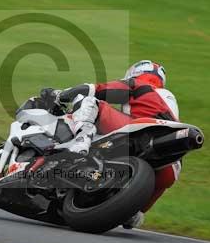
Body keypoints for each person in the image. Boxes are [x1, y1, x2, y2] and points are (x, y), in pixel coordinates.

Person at [54, 60, 181, 229]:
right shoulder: (168, 99)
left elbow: (99, 90)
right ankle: (136, 213)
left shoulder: (141, 84)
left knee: (88, 102)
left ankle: (80, 143)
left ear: (134, 73)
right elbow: (163, 182)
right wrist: (137, 209)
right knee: (136, 214)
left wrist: (62, 95)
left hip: (143, 132)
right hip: (172, 163)